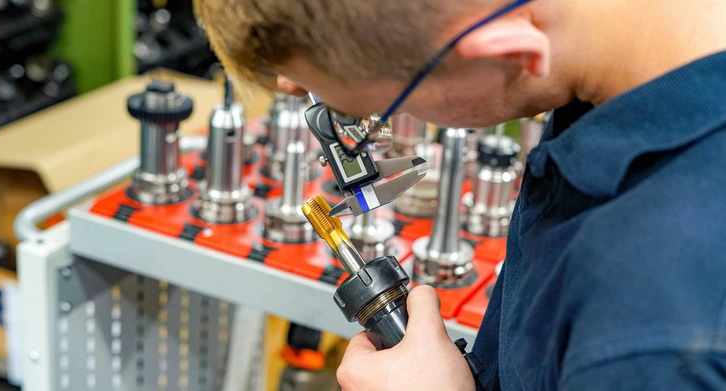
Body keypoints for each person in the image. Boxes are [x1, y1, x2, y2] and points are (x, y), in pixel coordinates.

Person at [197, 0, 726, 389]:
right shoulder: (605, 70)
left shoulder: (652, 327)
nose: (365, 127)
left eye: (371, 112)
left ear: (510, 50)